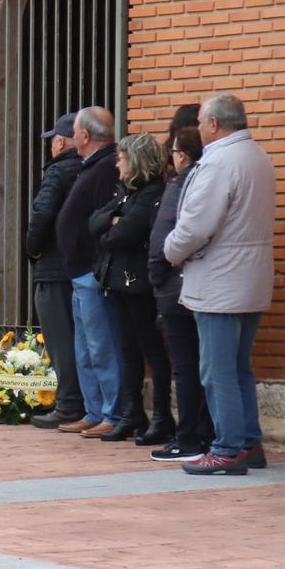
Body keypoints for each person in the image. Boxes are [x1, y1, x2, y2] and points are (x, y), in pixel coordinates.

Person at [165, 93, 276, 476]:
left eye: (200, 121)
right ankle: (248, 442)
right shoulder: (257, 156)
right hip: (249, 279)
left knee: (217, 370)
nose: (197, 128)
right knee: (239, 366)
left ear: (213, 124)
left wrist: (170, 249)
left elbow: (195, 225)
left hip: (220, 282)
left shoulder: (219, 162)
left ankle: (227, 449)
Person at [88, 132, 172, 443]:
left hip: (140, 285)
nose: (117, 164)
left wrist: (112, 226)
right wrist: (112, 221)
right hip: (119, 282)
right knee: (128, 351)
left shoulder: (152, 194)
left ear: (135, 161)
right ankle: (132, 413)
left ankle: (163, 416)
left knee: (151, 351)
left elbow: (120, 235)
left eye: (122, 159)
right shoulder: (126, 193)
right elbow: (94, 223)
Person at [53, 106, 122, 438]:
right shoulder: (91, 165)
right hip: (78, 273)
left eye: (75, 131)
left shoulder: (107, 166)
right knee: (85, 348)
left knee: (101, 345)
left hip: (92, 273)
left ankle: (112, 411)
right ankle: (94, 410)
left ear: (83, 135)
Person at [148, 125, 212, 462]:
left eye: (172, 152)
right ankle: (205, 434)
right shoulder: (207, 180)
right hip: (202, 287)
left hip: (175, 289)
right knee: (204, 365)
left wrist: (156, 277)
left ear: (182, 155)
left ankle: (186, 439)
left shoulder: (180, 184)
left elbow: (163, 237)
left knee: (185, 367)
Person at [26, 112, 84, 430]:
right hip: (81, 268)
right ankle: (82, 402)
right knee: (82, 339)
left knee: (61, 340)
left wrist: (32, 248)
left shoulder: (58, 172)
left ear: (60, 142)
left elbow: (41, 215)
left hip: (54, 268)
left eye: (52, 141)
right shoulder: (95, 169)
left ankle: (69, 403)